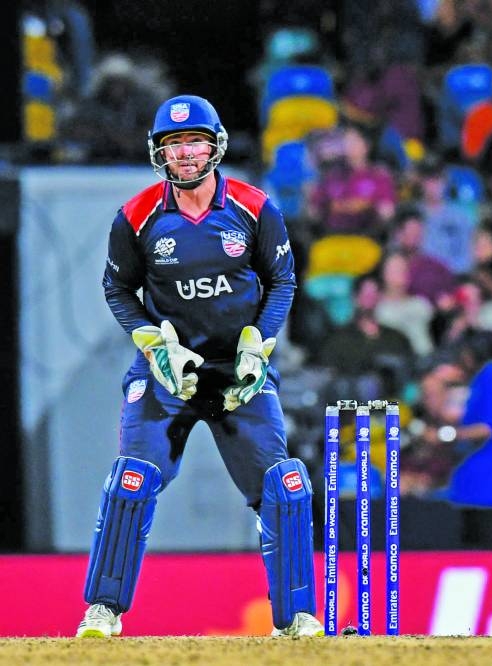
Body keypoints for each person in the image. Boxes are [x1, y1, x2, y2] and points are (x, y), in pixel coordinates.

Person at [77, 95, 321, 638]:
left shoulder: (256, 209)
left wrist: (258, 346)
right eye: (172, 144)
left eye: (194, 142)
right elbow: (116, 287)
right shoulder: (137, 216)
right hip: (166, 373)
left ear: (215, 146)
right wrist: (152, 345)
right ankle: (104, 611)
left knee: (283, 486)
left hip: (240, 370)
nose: (184, 154)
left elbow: (282, 282)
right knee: (133, 480)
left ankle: (297, 619)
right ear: (158, 153)